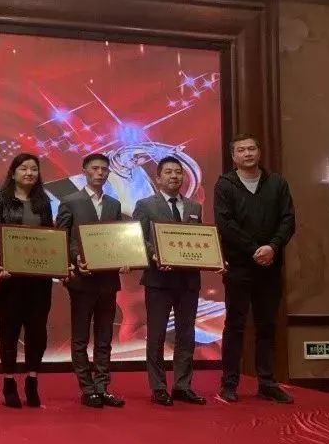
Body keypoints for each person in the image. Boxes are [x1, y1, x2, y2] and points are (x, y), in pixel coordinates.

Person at [214, 134, 296, 404]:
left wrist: (272, 247)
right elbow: (225, 224)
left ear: (259, 152)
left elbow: (288, 220)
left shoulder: (277, 183)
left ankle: (267, 383)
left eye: (251, 148)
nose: (247, 153)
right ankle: (229, 384)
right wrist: (254, 250)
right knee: (234, 325)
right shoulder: (225, 184)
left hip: (270, 266)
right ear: (233, 156)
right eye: (241, 150)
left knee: (267, 325)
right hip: (239, 267)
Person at [132, 156, 207, 406]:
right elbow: (137, 238)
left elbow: (200, 241)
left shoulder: (194, 207)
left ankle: (182, 386)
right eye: (168, 172)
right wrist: (155, 255)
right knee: (156, 335)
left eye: (178, 172)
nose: (174, 176)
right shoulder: (145, 205)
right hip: (158, 280)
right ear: (158, 177)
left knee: (186, 335)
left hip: (188, 281)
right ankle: (158, 387)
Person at [56, 153, 127, 409]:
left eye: (104, 169)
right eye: (95, 168)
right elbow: (61, 237)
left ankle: (102, 387)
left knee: (105, 337)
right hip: (82, 280)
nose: (100, 173)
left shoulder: (113, 204)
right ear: (84, 171)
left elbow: (117, 239)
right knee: (80, 337)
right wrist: (76, 257)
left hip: (108, 280)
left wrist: (126, 257)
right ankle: (87, 388)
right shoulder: (70, 201)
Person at [0, 153, 56, 409]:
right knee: (9, 330)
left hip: (39, 279)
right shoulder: (1, 199)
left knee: (37, 330)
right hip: (11, 279)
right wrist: (0, 263)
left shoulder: (43, 201)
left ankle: (32, 380)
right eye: (23, 168)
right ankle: (8, 382)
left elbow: (50, 236)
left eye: (33, 169)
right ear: (13, 172)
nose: (29, 173)